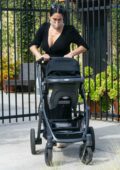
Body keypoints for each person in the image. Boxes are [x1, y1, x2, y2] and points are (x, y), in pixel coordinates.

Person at [29, 3, 88, 148]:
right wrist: (39, 55)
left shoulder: (69, 30)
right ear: (50, 18)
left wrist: (71, 54)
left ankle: (64, 131)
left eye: (60, 20)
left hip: (64, 71)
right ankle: (50, 131)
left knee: (63, 97)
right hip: (47, 69)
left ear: (64, 19)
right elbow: (33, 45)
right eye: (54, 19)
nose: (57, 23)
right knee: (47, 100)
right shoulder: (43, 28)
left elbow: (84, 46)